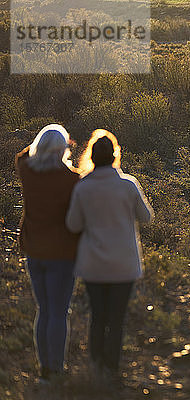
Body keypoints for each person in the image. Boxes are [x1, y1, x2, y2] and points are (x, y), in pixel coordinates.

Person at [66, 129, 153, 382]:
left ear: (91, 156)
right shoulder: (128, 184)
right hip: (124, 266)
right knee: (116, 320)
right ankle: (111, 370)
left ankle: (95, 367)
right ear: (115, 155)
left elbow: (72, 225)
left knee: (97, 317)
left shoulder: (83, 187)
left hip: (93, 264)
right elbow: (147, 218)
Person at [15, 124, 80, 383]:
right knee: (58, 312)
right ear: (62, 149)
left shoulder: (27, 171)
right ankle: (56, 368)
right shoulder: (71, 179)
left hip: (34, 251)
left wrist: (43, 144)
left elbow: (22, 154)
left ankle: (44, 367)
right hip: (62, 254)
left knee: (43, 310)